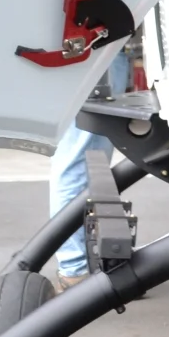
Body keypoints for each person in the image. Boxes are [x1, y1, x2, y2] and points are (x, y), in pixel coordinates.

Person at [47, 50, 134, 284]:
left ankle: (79, 264)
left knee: (86, 162)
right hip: (93, 49)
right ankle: (75, 270)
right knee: (80, 162)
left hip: (96, 49)